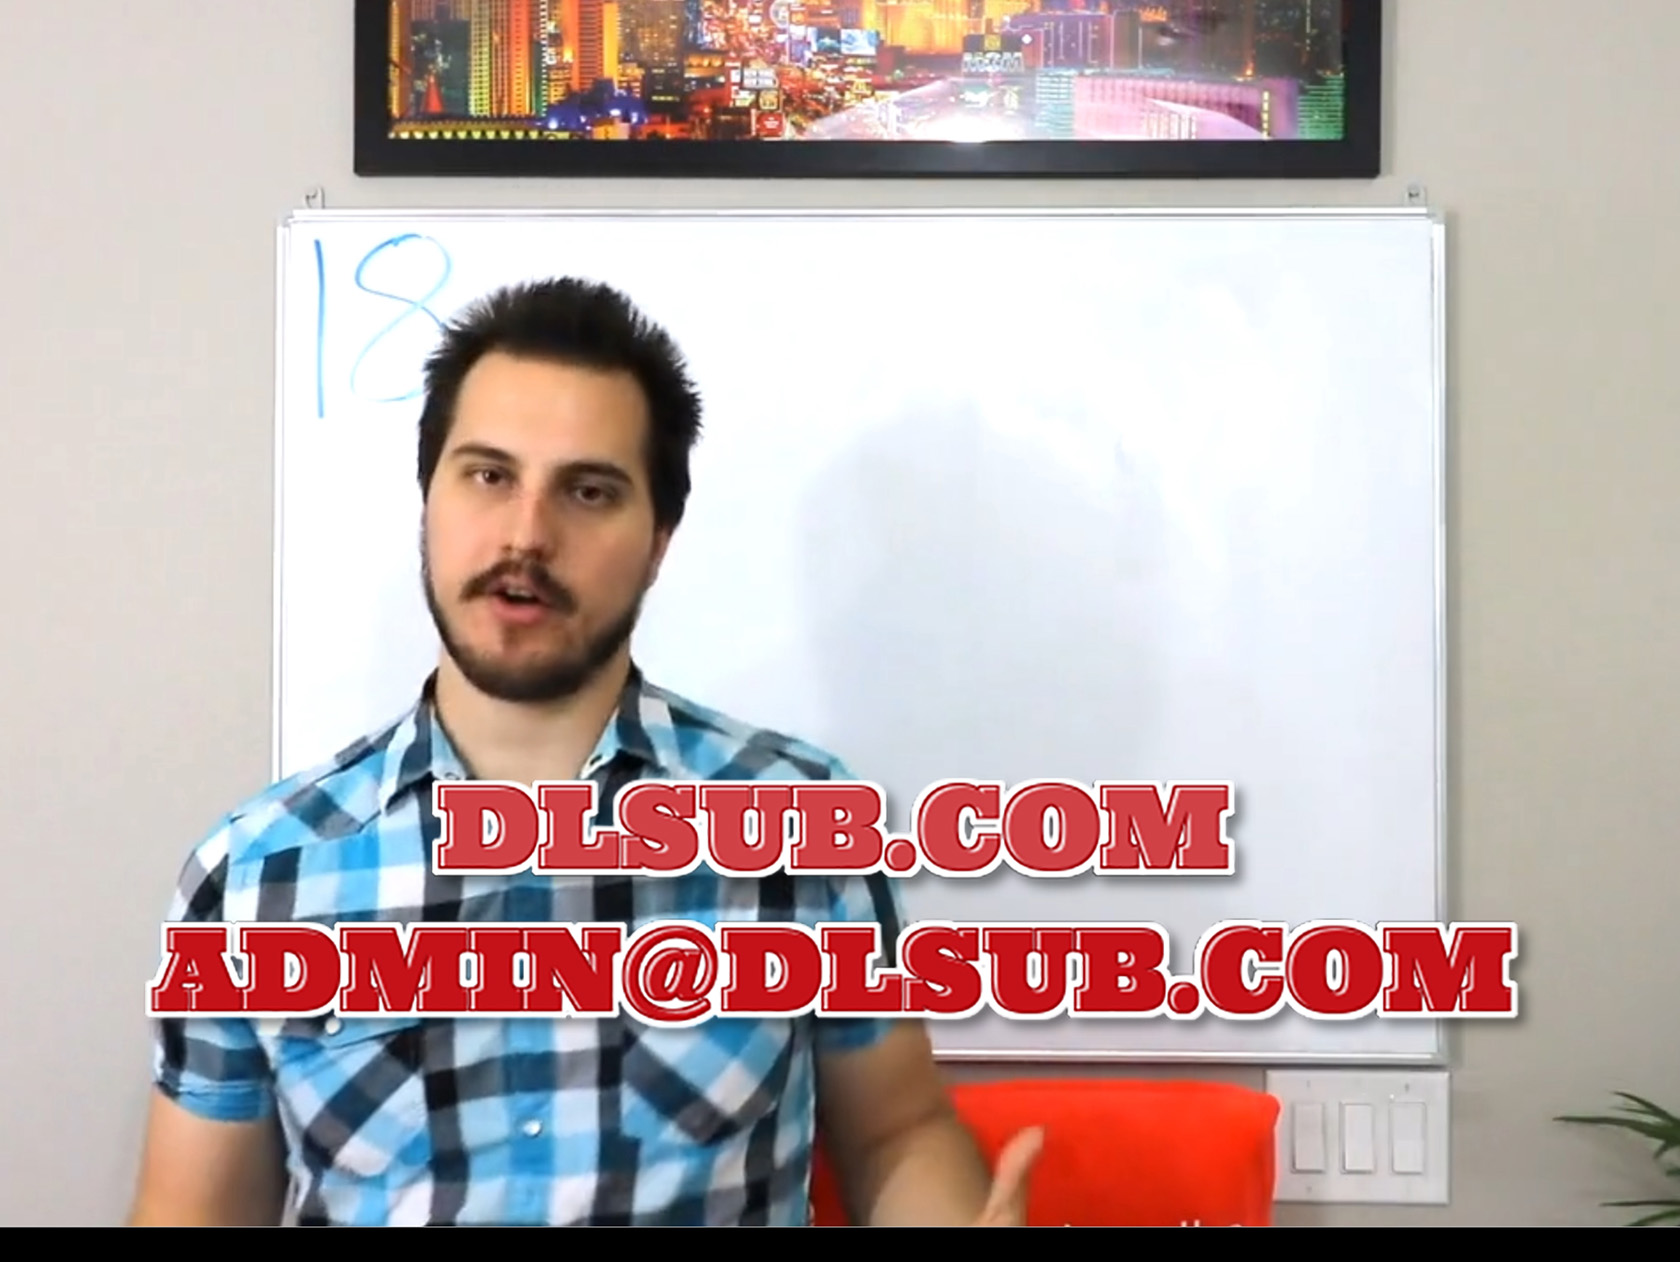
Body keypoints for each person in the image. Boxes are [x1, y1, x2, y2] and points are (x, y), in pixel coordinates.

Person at [127, 277, 1043, 1226]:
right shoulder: (255, 878)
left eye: (589, 491)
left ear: (658, 541)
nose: (527, 536)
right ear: (428, 500)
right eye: (489, 476)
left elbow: (896, 1132)